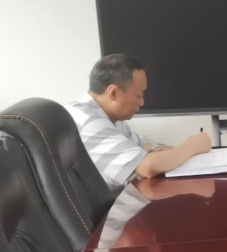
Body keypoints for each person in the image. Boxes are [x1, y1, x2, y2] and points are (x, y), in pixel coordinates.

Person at [67, 53, 211, 190]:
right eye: (138, 95)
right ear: (113, 92)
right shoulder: (87, 121)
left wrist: (157, 152)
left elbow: (143, 146)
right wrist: (192, 146)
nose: (142, 102)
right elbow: (147, 167)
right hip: (107, 206)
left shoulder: (111, 117)